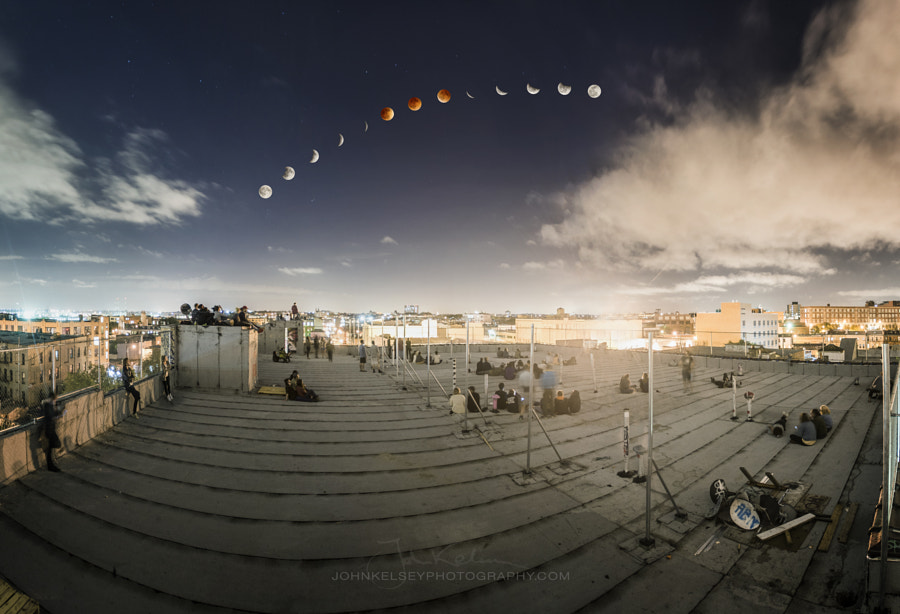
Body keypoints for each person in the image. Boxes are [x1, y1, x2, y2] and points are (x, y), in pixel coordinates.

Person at [41, 391, 62, 472]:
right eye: (55, 399)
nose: (55, 401)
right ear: (52, 399)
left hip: (51, 428)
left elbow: (54, 414)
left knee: (53, 446)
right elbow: (51, 417)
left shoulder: (51, 405)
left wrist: (59, 412)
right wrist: (59, 416)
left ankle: (51, 464)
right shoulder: (47, 406)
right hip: (49, 429)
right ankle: (50, 465)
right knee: (51, 448)